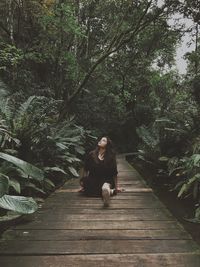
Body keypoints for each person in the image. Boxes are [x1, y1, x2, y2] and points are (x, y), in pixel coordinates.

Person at [78, 136, 122, 207]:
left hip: (106, 179)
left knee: (104, 185)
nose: (100, 141)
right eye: (101, 140)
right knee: (88, 190)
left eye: (104, 140)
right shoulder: (91, 154)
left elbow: (114, 173)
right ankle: (109, 191)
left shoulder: (111, 156)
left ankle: (106, 189)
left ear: (107, 145)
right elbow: (86, 169)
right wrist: (84, 184)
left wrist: (117, 187)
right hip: (93, 179)